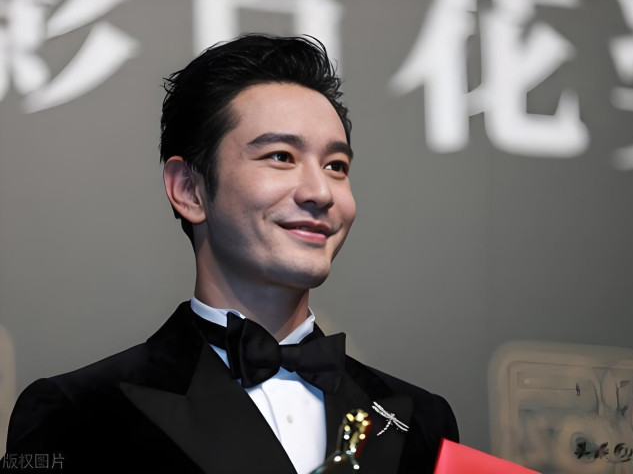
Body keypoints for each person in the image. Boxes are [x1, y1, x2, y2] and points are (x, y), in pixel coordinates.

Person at [3, 34, 458, 473]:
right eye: (281, 156)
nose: (320, 192)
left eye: (336, 166)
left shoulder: (423, 420)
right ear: (189, 189)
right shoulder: (77, 414)